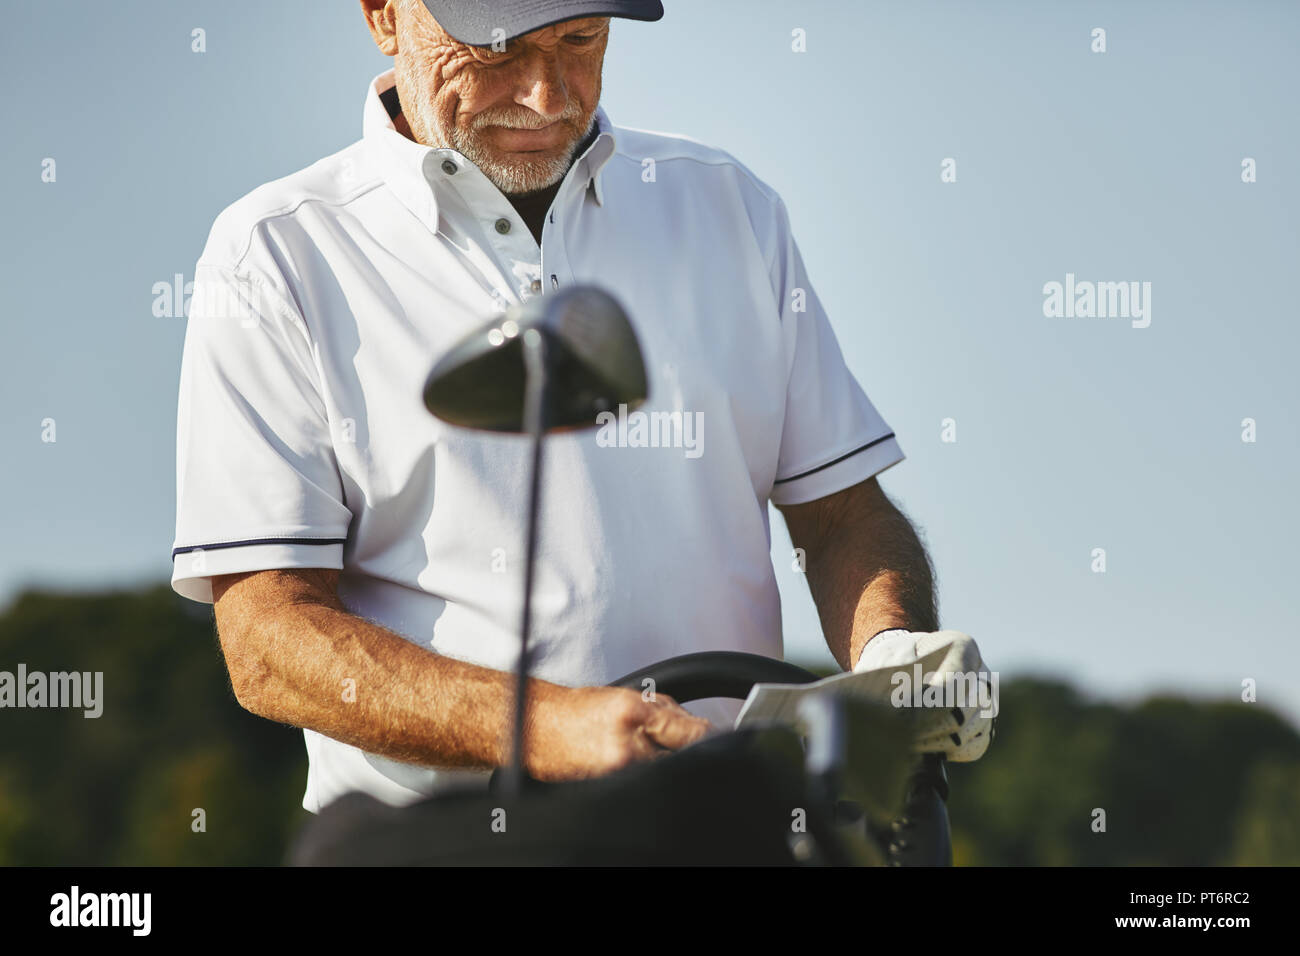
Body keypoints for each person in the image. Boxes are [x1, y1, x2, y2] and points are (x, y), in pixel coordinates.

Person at [171, 0, 991, 814]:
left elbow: (843, 518)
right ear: (384, 16)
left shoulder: (731, 209)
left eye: (580, 40)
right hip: (436, 845)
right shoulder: (275, 252)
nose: (546, 94)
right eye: (495, 51)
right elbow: (269, 637)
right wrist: (546, 728)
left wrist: (895, 661)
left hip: (720, 831)